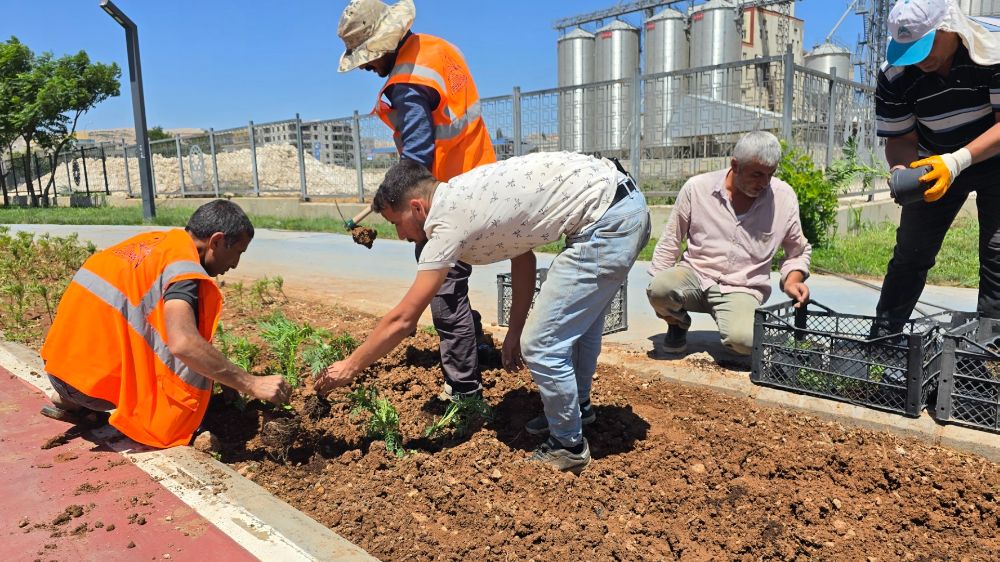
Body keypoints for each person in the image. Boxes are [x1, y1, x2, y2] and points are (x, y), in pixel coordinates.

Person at [314, 152, 651, 474]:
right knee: (581, 328)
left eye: (395, 223)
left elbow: (404, 319)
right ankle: (579, 409)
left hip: (606, 222)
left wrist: (350, 366)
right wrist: (513, 332)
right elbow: (523, 258)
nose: (400, 235)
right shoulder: (465, 192)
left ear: (417, 207)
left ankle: (568, 445)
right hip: (621, 206)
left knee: (542, 345)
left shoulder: (447, 223)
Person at [337, 0, 497, 401]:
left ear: (385, 43)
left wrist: (395, 199)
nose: (366, 66)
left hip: (446, 195)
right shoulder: (437, 49)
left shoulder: (408, 83)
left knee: (442, 286)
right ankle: (475, 343)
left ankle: (464, 388)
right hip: (480, 176)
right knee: (453, 281)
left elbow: (417, 157)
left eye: (367, 57)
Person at [39, 200, 290, 448]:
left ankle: (69, 401)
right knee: (187, 351)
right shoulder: (183, 272)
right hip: (91, 389)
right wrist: (250, 383)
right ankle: (174, 426)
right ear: (216, 241)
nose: (235, 264)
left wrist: (226, 377)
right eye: (238, 252)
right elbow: (184, 344)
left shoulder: (155, 243)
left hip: (59, 369)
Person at [874, 0, 1000, 329]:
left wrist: (956, 161)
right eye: (909, 50)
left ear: (948, 27)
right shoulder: (894, 75)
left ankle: (992, 346)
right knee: (911, 253)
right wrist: (902, 171)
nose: (919, 59)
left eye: (924, 46)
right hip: (934, 162)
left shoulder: (992, 51)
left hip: (995, 159)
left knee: (997, 256)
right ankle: (884, 338)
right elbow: (901, 138)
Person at [646, 131, 812, 357]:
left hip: (742, 287)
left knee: (745, 342)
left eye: (770, 174)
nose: (764, 183)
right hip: (695, 275)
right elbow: (670, 240)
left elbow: (797, 251)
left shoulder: (783, 197)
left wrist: (793, 281)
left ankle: (737, 328)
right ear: (735, 165)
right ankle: (677, 324)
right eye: (757, 174)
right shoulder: (697, 188)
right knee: (659, 289)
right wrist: (659, 301)